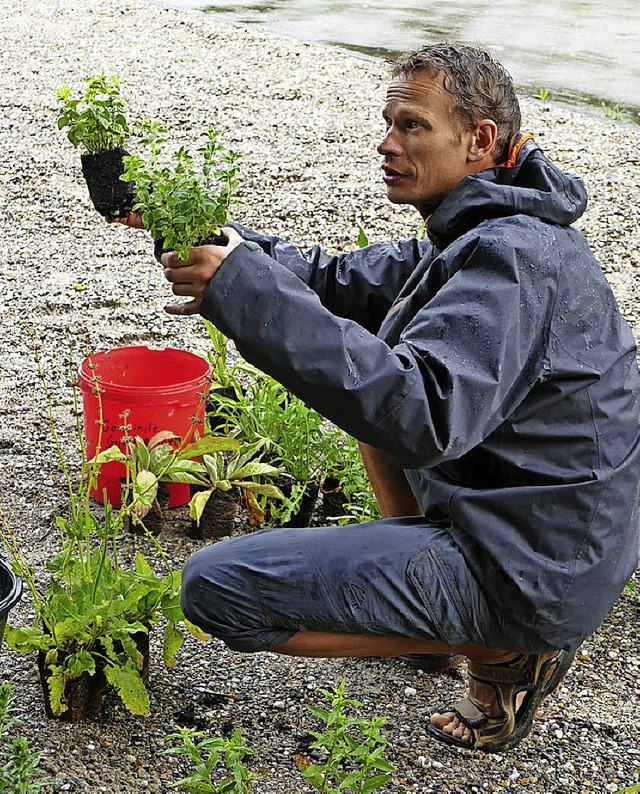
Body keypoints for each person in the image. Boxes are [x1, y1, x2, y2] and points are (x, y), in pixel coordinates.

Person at [114, 44, 640, 752]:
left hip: (535, 564)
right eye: (388, 121)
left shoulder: (516, 260)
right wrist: (216, 244)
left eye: (412, 125)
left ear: (479, 140)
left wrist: (239, 289)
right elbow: (335, 281)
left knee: (215, 587)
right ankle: (442, 633)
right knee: (377, 380)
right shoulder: (485, 230)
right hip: (539, 529)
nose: (386, 142)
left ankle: (503, 653)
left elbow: (422, 415)